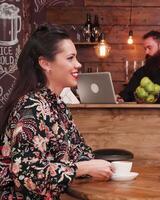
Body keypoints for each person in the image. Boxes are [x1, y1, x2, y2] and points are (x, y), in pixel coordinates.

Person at [0, 24, 113, 199]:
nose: (78, 64)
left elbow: (79, 151)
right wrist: (84, 168)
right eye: (70, 58)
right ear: (45, 64)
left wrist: (102, 165)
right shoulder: (31, 107)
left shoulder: (57, 105)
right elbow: (26, 175)